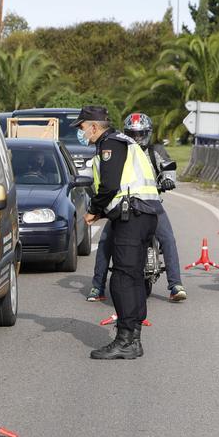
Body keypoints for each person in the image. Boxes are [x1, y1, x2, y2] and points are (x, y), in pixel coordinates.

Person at [72, 105, 163, 360]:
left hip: (132, 216)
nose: (82, 132)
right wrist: (103, 211)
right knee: (133, 277)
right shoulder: (122, 142)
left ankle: (125, 339)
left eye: (82, 127)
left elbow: (110, 185)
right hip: (143, 214)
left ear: (93, 125)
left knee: (122, 278)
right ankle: (133, 339)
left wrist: (93, 209)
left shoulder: (110, 143)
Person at [87, 113, 186, 303]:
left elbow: (167, 167)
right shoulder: (119, 149)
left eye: (141, 134)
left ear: (148, 133)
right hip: (123, 207)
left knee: (168, 238)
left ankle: (175, 285)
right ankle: (97, 286)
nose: (137, 138)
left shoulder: (154, 150)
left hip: (150, 204)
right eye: (133, 134)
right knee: (106, 241)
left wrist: (168, 180)